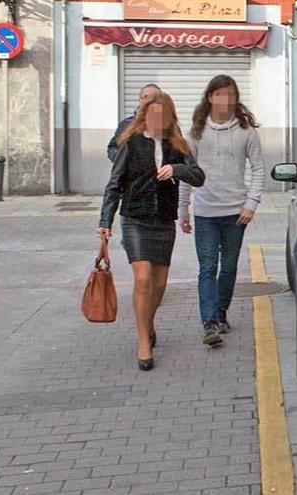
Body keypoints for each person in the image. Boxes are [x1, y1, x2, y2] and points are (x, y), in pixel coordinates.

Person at [98, 92, 205, 371]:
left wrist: (177, 168)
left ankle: (148, 321)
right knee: (143, 279)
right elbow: (114, 184)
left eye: (164, 116)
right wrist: (105, 222)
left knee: (158, 285)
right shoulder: (131, 143)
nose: (158, 121)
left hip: (163, 220)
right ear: (144, 116)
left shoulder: (176, 145)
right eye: (153, 115)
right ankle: (143, 340)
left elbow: (199, 177)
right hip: (135, 217)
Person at [178, 75, 265, 346]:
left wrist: (251, 203)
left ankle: (221, 311)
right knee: (207, 268)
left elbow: (259, 169)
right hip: (205, 212)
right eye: (219, 94)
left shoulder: (246, 131)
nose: (224, 100)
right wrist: (183, 210)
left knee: (228, 268)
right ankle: (209, 322)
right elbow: (186, 173)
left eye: (230, 95)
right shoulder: (195, 133)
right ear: (209, 97)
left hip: (235, 213)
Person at [107, 84, 161, 162]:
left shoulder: (169, 125)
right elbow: (113, 147)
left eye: (154, 98)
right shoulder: (126, 124)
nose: (148, 101)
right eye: (145, 97)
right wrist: (121, 160)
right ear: (139, 100)